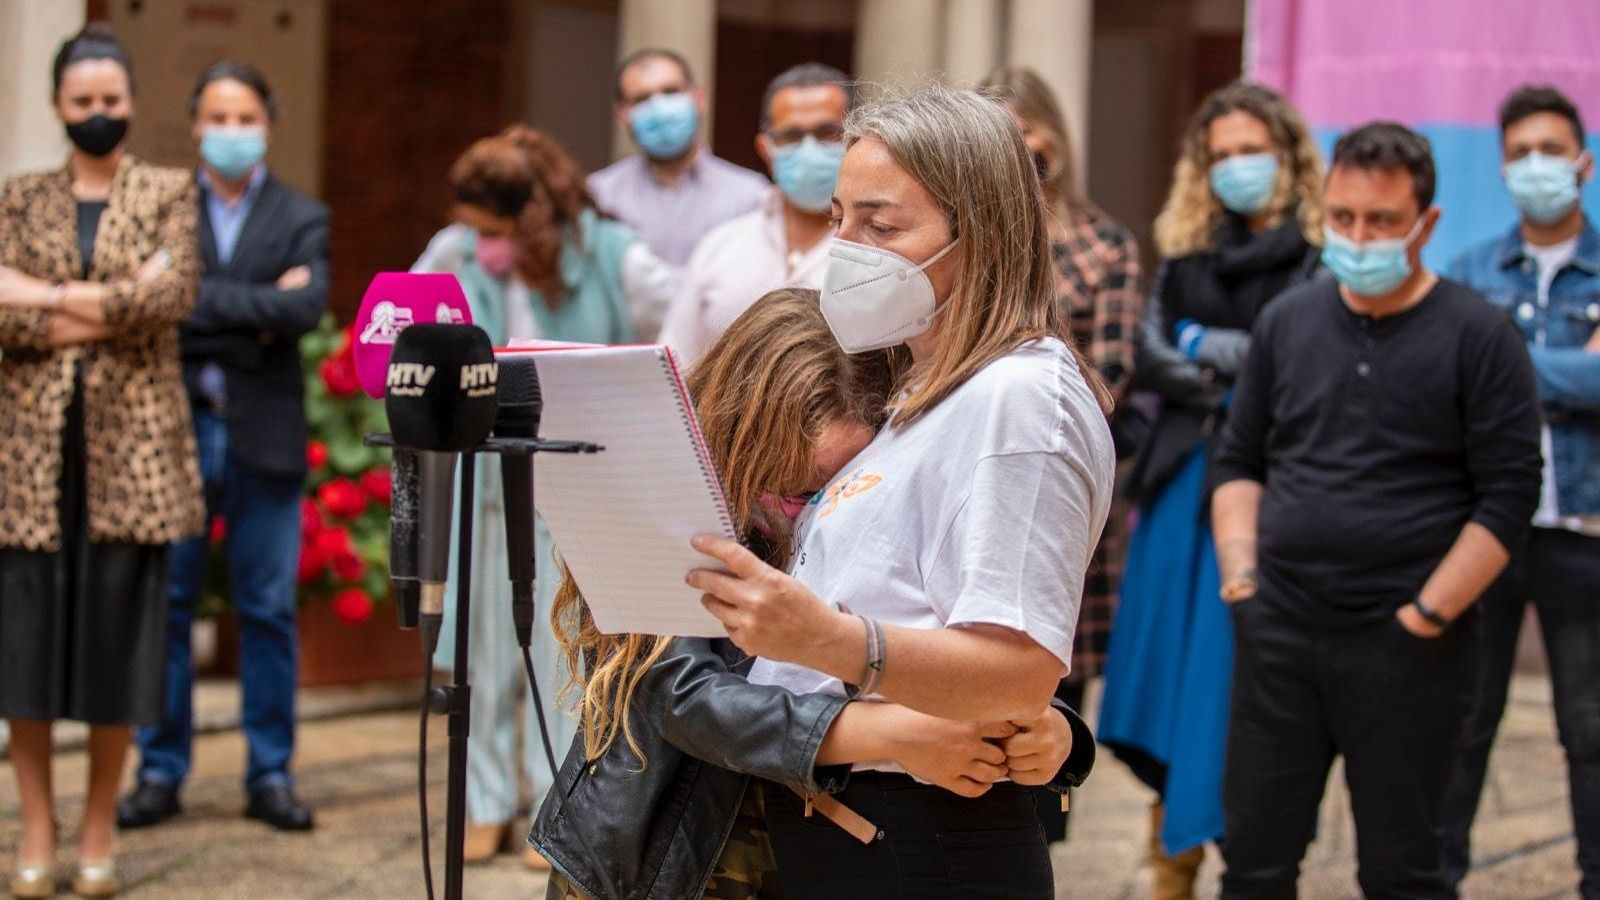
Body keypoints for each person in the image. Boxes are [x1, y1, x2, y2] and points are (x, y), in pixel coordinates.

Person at [679, 83, 1114, 899]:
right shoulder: (923, 384)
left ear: (981, 236)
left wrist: (829, 640)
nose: (846, 250)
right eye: (840, 219)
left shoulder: (1019, 398)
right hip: (851, 818)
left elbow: (1017, 674)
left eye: (881, 227)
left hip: (924, 830)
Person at [535, 288, 1092, 900]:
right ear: (735, 433)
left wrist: (1051, 731)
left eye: (839, 486)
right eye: (791, 484)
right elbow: (681, 695)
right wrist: (887, 734)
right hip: (655, 866)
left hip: (806, 851)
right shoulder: (656, 494)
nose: (809, 510)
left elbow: (922, 634)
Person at [1211, 121, 1543, 899]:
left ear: (1426, 224)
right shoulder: (1286, 322)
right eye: (1343, 218)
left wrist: (1427, 615)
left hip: (1410, 648)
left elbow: (1508, 495)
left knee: (1403, 874)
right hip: (1279, 633)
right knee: (1253, 865)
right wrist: (1243, 584)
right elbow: (1239, 461)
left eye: (1383, 221)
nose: (1359, 239)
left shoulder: (1481, 336)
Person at [410, 124, 669, 870]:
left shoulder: (614, 256)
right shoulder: (458, 251)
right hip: (484, 472)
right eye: (474, 230)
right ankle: (484, 801)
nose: (483, 245)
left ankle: (556, 808)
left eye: (494, 230)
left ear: (531, 217)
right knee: (480, 644)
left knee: (561, 649)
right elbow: (411, 313)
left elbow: (672, 337)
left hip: (573, 473)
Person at [1093, 80, 1324, 897]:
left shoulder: (1322, 253)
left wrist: (1203, 345)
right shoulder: (1187, 249)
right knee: (1167, 679)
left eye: (1251, 151)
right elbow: (1152, 355)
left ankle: (1243, 856)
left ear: (1288, 155)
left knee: (1231, 677)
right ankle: (1170, 860)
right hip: (1178, 483)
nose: (1236, 167)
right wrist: (1232, 360)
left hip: (1269, 491)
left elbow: (1297, 358)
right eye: (1221, 155)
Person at [0, 24, 204, 898]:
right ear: (57, 105)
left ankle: (96, 826)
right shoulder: (18, 197)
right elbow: (2, 314)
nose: (96, 112)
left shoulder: (167, 190)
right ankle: (36, 825)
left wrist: (43, 296)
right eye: (82, 100)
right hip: (28, 464)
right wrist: (112, 299)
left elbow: (171, 297)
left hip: (133, 462)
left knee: (118, 650)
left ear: (130, 102)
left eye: (110, 100)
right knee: (25, 652)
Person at [116, 58, 328, 837]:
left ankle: (270, 773)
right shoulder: (163, 208)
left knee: (267, 610)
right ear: (195, 125)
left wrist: (199, 303)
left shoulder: (302, 214)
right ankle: (159, 770)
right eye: (218, 117)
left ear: (267, 124)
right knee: (164, 605)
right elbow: (150, 305)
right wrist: (256, 310)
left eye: (246, 118)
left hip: (263, 435)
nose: (231, 131)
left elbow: (305, 309)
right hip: (173, 431)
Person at [1441, 84, 1600, 899]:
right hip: (1486, 529)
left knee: (1590, 729)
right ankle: (1434, 883)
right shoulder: (1469, 274)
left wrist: (1503, 363)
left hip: (1584, 533)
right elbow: (1450, 389)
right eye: (1521, 153)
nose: (1538, 166)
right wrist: (1576, 369)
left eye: (1552, 151)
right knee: (1463, 723)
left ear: (1584, 163)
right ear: (1502, 169)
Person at [980, 63, 1143, 842]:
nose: (1019, 150)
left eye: (1028, 132)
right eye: (999, 136)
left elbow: (1107, 378)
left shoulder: (1105, 244)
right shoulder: (963, 234)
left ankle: (1034, 844)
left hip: (1052, 483)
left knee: (1043, 684)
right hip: (966, 482)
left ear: (1054, 137)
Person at [658, 63, 852, 368]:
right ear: (765, 149)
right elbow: (673, 364)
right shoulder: (720, 246)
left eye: (827, 133)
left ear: (855, 140)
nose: (809, 150)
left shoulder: (876, 252)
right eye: (791, 137)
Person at [588, 48, 770, 278]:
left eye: (671, 91)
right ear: (622, 115)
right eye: (641, 99)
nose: (659, 109)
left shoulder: (750, 196)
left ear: (699, 99)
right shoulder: (599, 196)